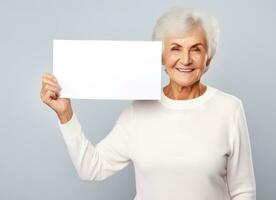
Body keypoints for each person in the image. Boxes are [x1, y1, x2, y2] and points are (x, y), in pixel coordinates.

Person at [40, 7, 256, 200]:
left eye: (196, 49)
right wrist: (66, 115)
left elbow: (243, 191)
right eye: (175, 48)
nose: (186, 59)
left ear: (208, 58)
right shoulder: (138, 111)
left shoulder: (230, 109)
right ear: (161, 57)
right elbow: (91, 169)